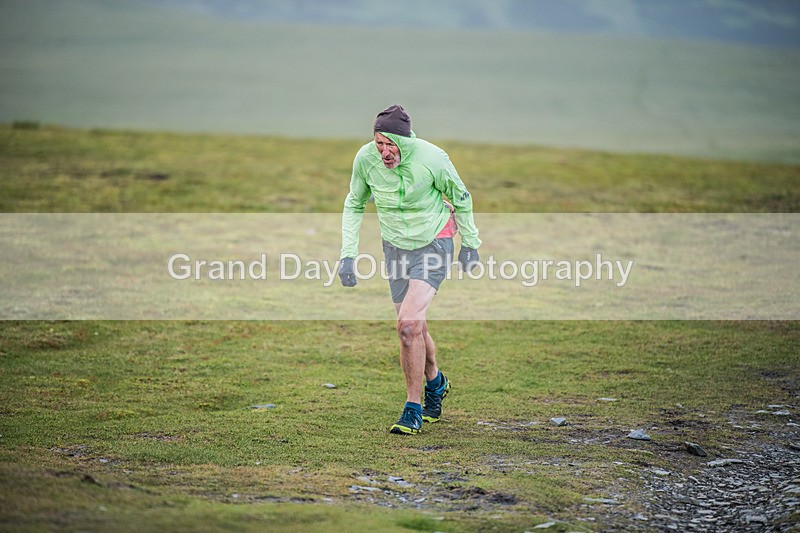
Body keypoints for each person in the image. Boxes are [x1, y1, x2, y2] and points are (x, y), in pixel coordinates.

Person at [338, 104, 481, 435]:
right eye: (379, 143)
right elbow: (354, 202)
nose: (384, 152)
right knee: (414, 327)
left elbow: (461, 197)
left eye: (391, 144)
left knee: (407, 326)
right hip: (395, 247)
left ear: (404, 141)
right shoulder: (366, 160)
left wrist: (470, 244)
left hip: (435, 242)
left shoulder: (432, 158)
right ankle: (436, 382)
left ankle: (412, 409)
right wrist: (348, 255)